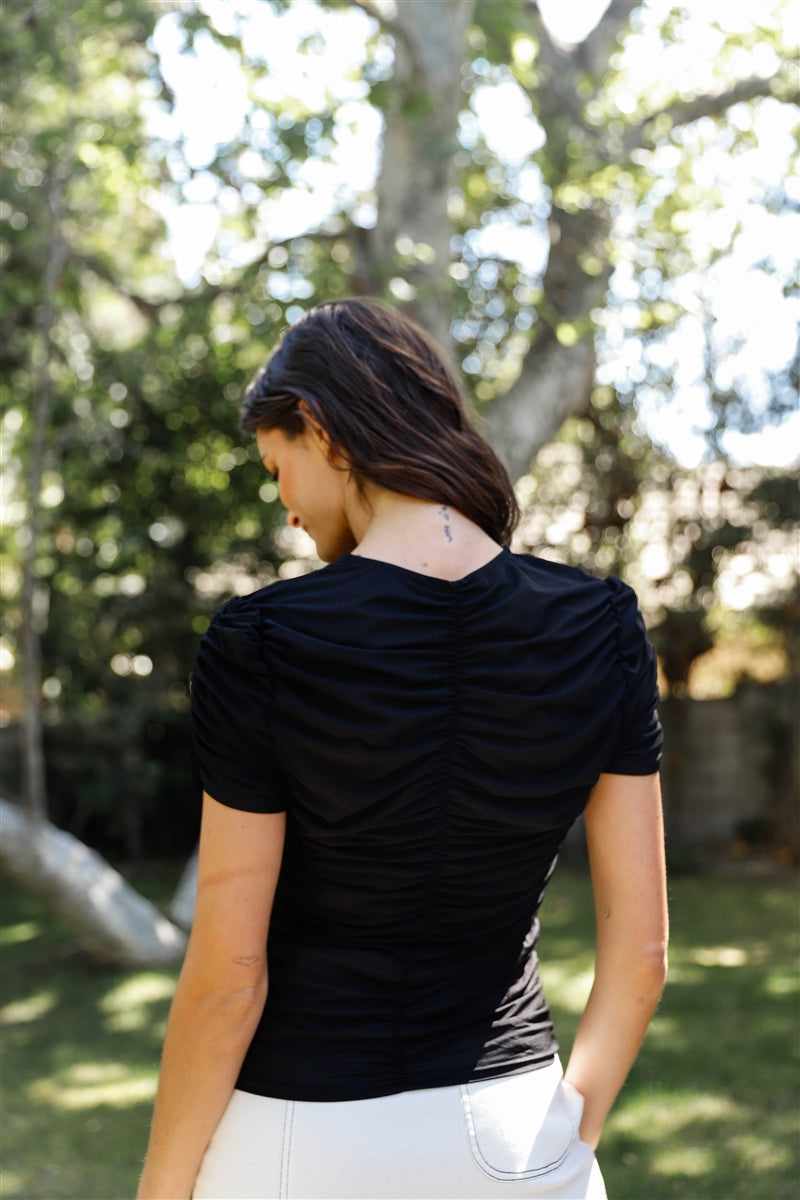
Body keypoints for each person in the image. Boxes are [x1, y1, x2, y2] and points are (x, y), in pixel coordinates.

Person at [136, 298, 668, 1200]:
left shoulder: (262, 640)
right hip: (521, 1131)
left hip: (301, 1142)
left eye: (278, 468)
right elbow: (643, 946)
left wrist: (160, 1186)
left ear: (318, 426)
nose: (286, 506)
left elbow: (229, 975)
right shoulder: (601, 623)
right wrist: (567, 1130)